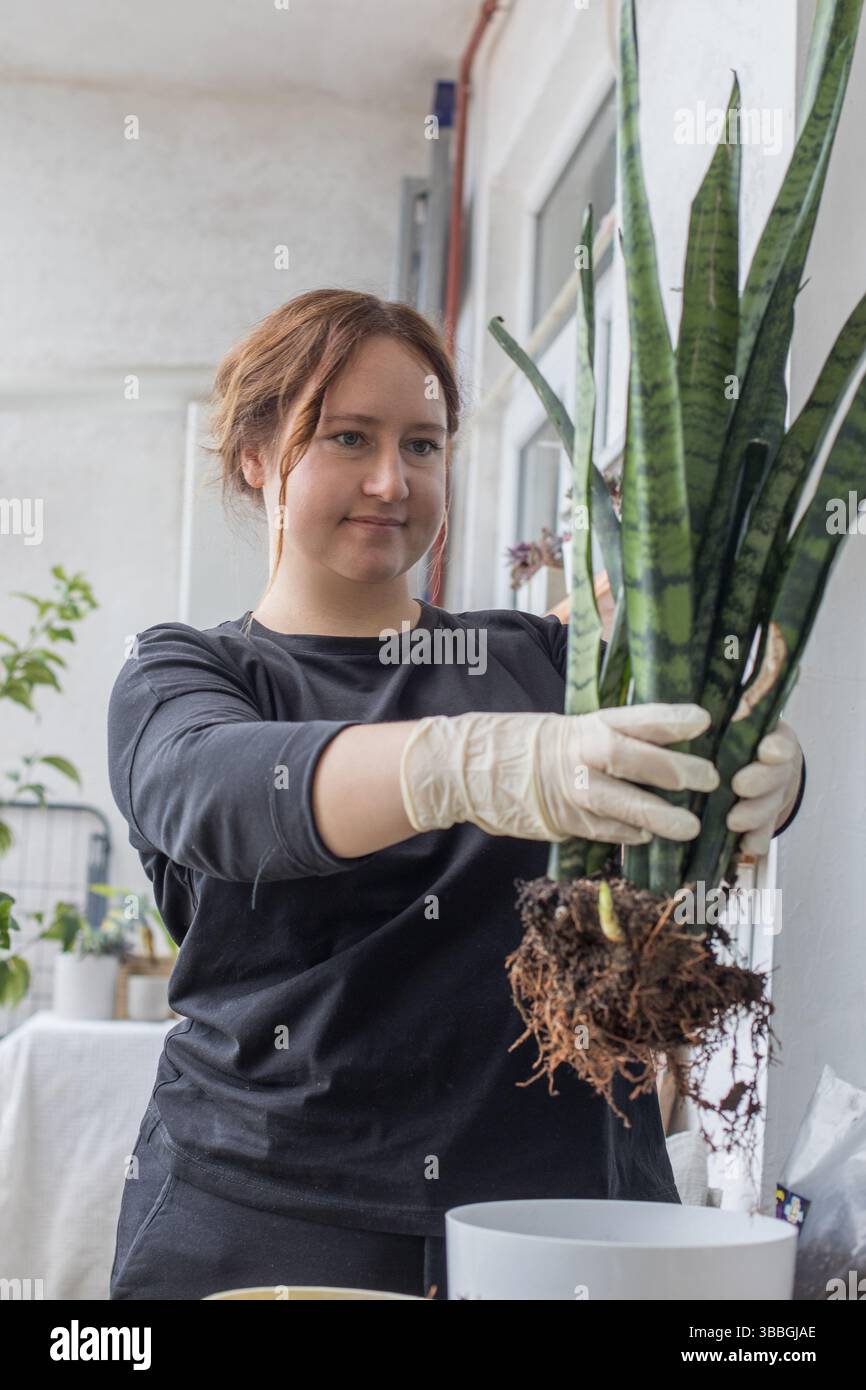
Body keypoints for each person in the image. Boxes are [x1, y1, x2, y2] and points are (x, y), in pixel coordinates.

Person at [106, 289, 806, 1301]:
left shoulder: (543, 662)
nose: (391, 480)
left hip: (569, 1215)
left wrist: (767, 775)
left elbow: (697, 770)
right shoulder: (190, 673)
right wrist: (461, 765)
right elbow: (216, 792)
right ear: (254, 457)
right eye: (346, 437)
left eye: (423, 445)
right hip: (276, 1215)